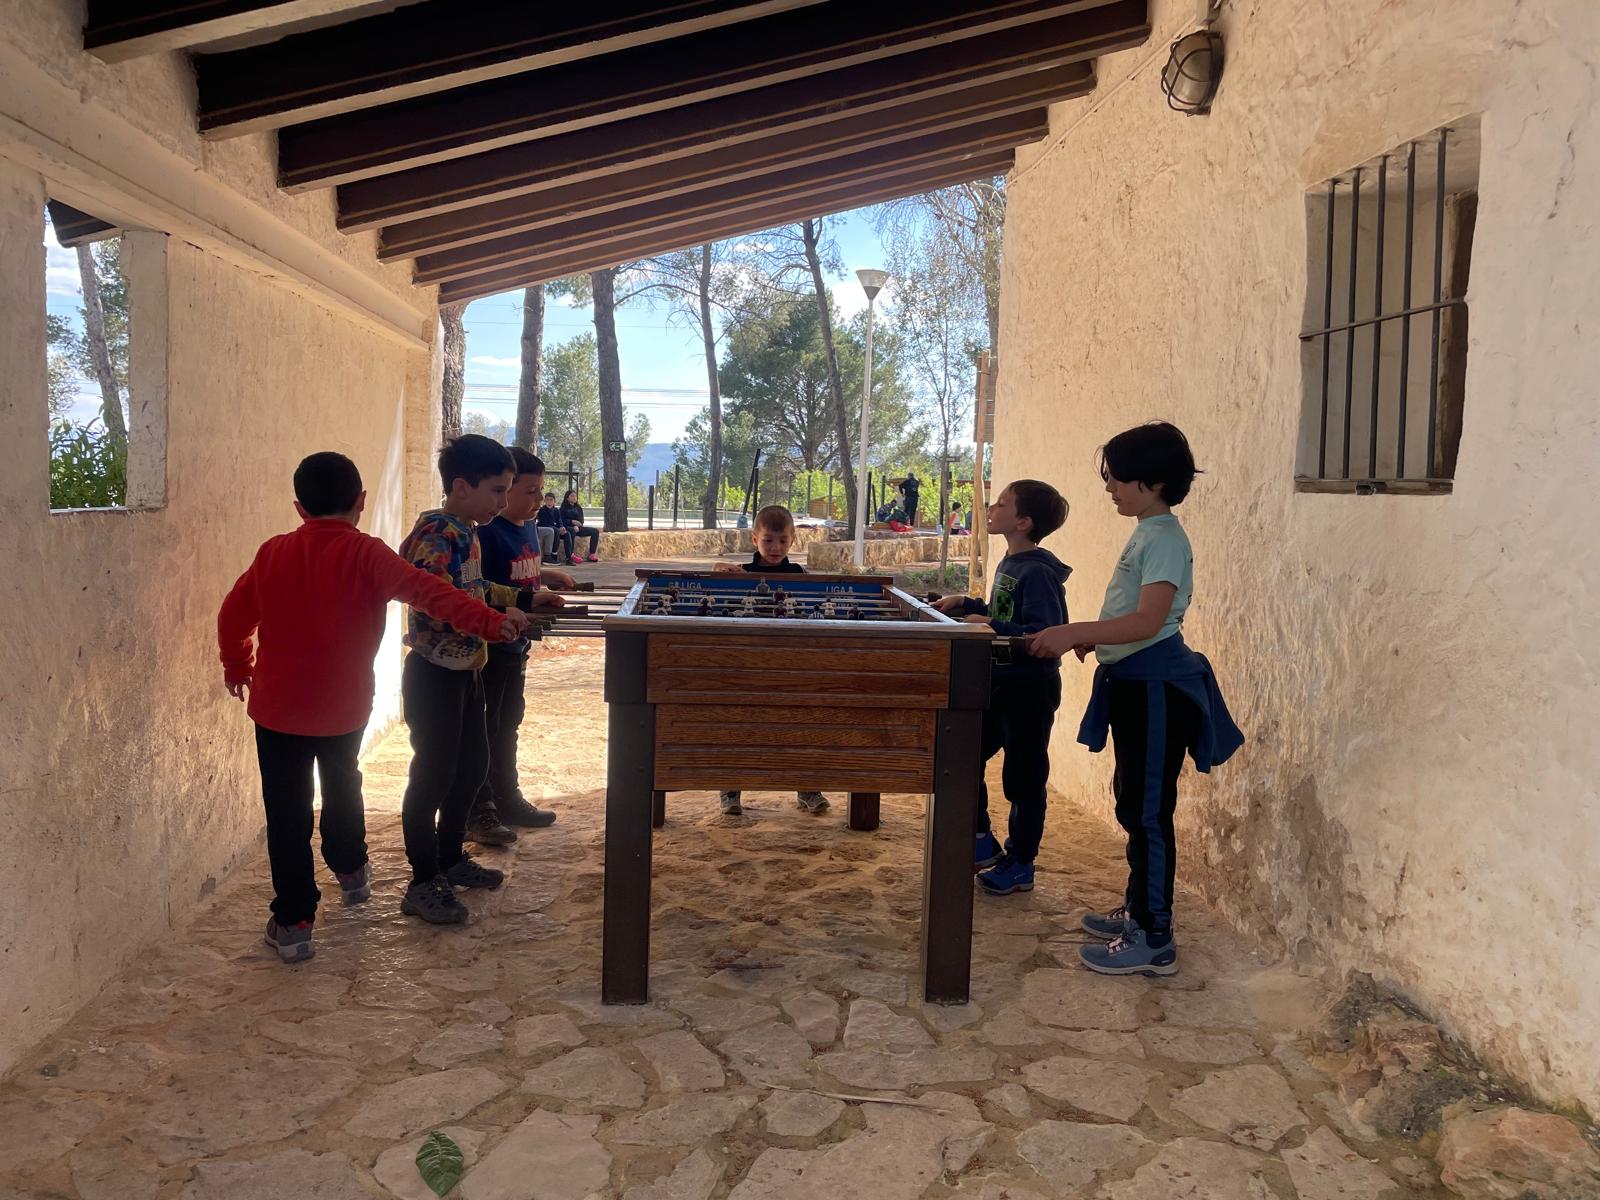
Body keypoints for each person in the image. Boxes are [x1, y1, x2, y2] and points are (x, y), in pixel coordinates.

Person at [217, 451, 528, 962]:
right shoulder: (369, 555)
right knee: (342, 786)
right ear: (361, 501)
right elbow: (433, 593)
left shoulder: (273, 552)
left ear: (299, 508)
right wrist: (492, 623)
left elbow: (234, 614)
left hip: (277, 711)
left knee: (287, 811)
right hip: (344, 709)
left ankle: (294, 923)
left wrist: (237, 664)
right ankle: (351, 869)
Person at [1027, 422, 1243, 977]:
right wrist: (1099, 640)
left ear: (1152, 482)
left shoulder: (1165, 538)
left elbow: (1149, 620)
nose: (1110, 488)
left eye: (1118, 478)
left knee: (1148, 812)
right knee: (1132, 802)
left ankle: (1155, 935)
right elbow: (1136, 618)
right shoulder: (1149, 531)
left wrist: (1074, 632)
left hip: (1156, 689)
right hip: (1134, 682)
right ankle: (1139, 908)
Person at [395, 434, 539, 925]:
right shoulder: (438, 534)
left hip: (465, 669)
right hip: (434, 673)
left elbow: (474, 588)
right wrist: (492, 622)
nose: (503, 501)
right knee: (432, 778)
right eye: (497, 490)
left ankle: (450, 856)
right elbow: (435, 596)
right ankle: (422, 880)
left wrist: (522, 600)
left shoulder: (467, 530)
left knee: (472, 768)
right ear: (461, 486)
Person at [935, 481, 1070, 897]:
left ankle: (1021, 862)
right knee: (965, 755)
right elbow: (1002, 612)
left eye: (1001, 503)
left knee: (1024, 778)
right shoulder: (1010, 562)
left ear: (1023, 522)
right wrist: (966, 603)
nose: (991, 508)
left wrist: (991, 625)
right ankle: (981, 840)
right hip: (1000, 686)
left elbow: (1044, 635)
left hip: (1029, 693)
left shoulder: (1039, 572)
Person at [467, 448, 573, 847]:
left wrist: (545, 575)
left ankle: (506, 797)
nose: (537, 499)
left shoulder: (527, 527)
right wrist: (514, 608)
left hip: (517, 648)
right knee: (485, 729)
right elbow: (480, 590)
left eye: (540, 491)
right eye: (530, 491)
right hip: (491, 649)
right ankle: (480, 808)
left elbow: (520, 571)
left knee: (508, 723)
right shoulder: (486, 533)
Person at [712, 505, 829, 816]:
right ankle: (730, 790)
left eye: (782, 541)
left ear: (792, 541)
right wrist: (719, 569)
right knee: (738, 723)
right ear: (754, 539)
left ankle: (808, 787)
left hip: (792, 663)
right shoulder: (740, 573)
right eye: (768, 540)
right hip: (745, 662)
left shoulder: (801, 575)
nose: (775, 547)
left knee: (799, 724)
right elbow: (715, 583)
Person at [560, 490, 601, 562]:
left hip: (578, 528)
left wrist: (578, 526)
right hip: (568, 528)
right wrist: (571, 522)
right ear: (567, 498)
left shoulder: (578, 507)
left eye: (575, 496)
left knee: (595, 531)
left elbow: (581, 520)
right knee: (571, 531)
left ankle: (592, 554)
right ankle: (571, 555)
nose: (574, 498)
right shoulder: (563, 508)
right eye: (572, 496)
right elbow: (561, 521)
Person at [535, 491, 575, 564]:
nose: (549, 502)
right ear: (544, 501)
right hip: (546, 528)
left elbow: (559, 521)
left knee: (567, 534)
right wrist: (558, 529)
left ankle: (568, 558)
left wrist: (562, 527)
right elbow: (544, 523)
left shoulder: (556, 510)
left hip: (555, 529)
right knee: (555, 530)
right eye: (547, 500)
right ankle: (553, 554)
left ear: (554, 502)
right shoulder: (542, 510)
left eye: (551, 500)